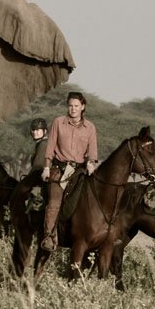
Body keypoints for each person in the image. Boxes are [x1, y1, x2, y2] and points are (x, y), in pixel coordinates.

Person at [40, 92, 98, 251]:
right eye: (70, 105)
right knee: (54, 202)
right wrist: (46, 168)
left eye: (76, 106)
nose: (73, 109)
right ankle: (49, 237)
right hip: (59, 169)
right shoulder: (58, 122)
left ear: (83, 107)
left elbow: (92, 153)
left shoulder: (90, 127)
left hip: (79, 171)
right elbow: (49, 148)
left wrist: (91, 164)